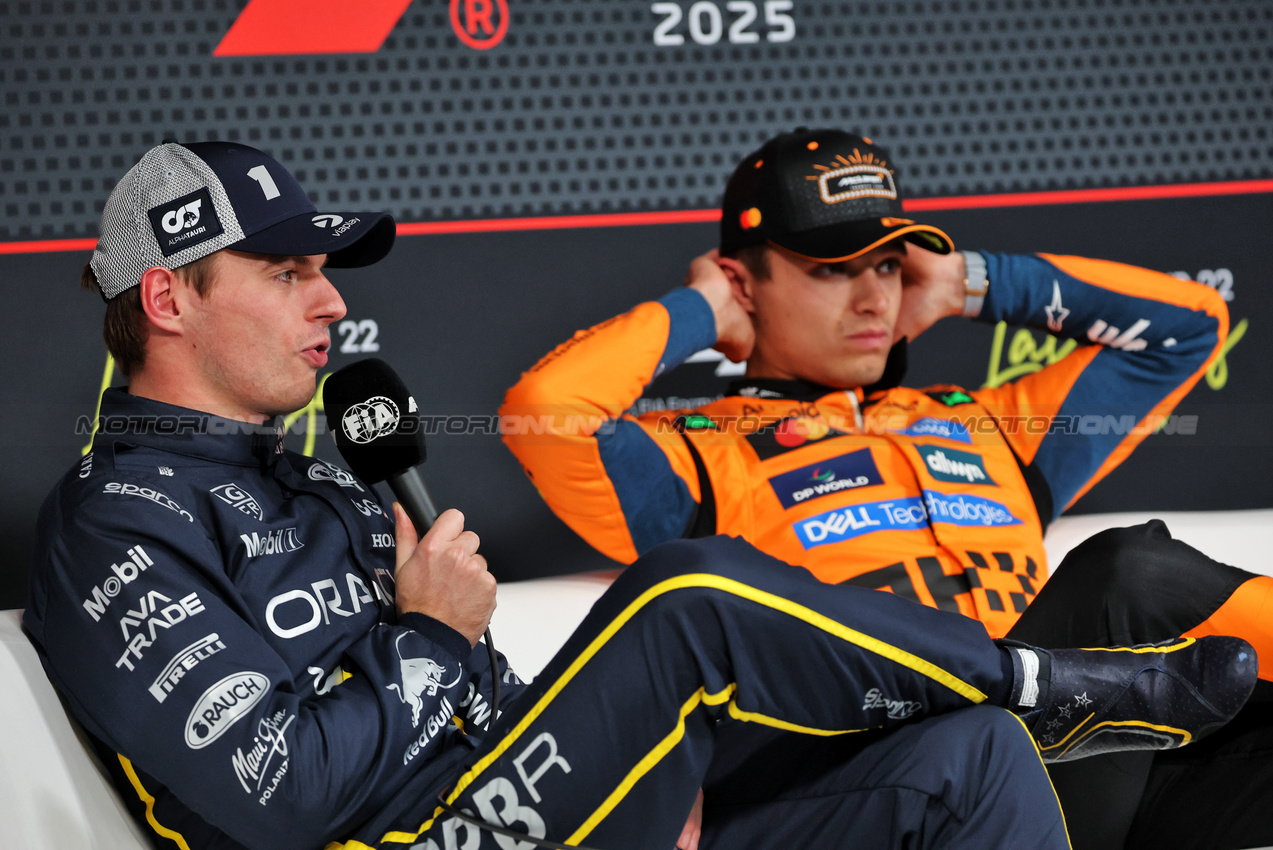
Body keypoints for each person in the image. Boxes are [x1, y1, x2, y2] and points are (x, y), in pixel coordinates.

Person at [21, 140, 1255, 850]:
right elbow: (280, 793)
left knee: (974, 759)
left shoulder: (325, 477)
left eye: (323, 273)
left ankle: (1032, 702)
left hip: (536, 810)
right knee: (686, 593)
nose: (332, 302)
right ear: (171, 300)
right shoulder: (111, 521)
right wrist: (422, 635)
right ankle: (1058, 685)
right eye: (288, 273)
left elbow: (478, 701)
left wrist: (630, 771)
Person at [500, 127, 1273, 849]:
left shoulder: (984, 425)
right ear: (747, 282)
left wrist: (965, 283)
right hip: (896, 781)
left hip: (1072, 762)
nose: (873, 298)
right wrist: (702, 308)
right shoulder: (698, 459)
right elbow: (546, 412)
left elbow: (1188, 326)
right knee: (1122, 574)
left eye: (886, 266)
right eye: (832, 270)